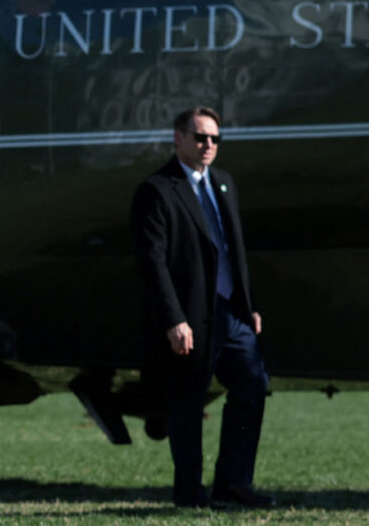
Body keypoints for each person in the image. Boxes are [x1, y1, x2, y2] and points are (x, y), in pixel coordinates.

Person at [130, 107, 274, 509]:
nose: (208, 145)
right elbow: (152, 262)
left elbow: (235, 251)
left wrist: (249, 305)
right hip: (190, 317)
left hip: (232, 315)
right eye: (200, 137)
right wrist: (173, 318)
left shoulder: (223, 183)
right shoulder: (157, 189)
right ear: (177, 138)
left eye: (214, 138)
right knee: (187, 403)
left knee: (252, 386)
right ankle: (189, 493)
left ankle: (233, 482)